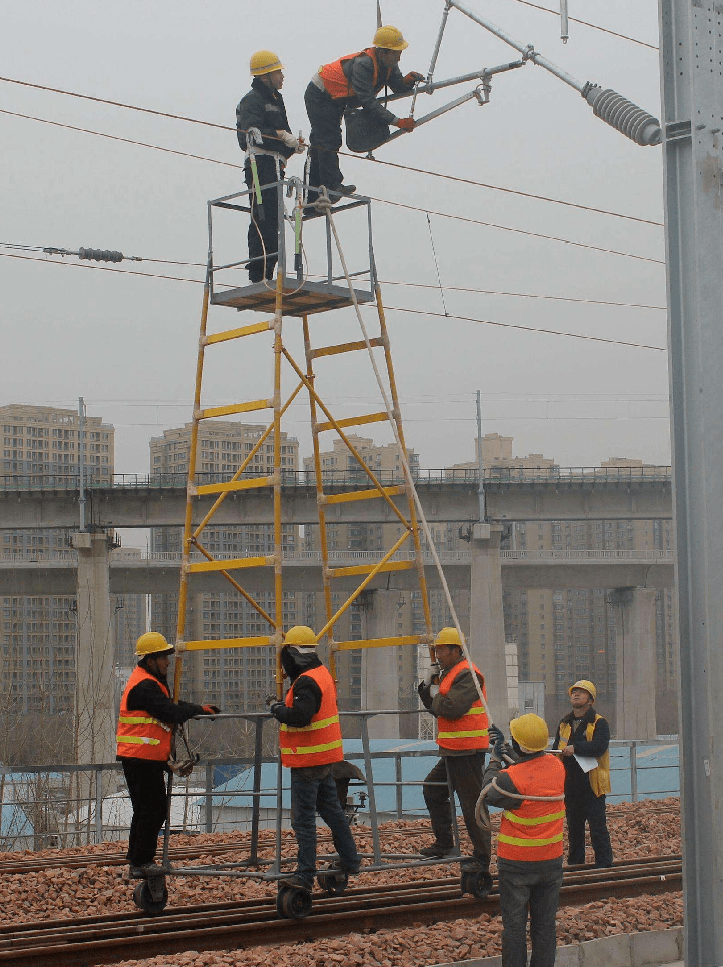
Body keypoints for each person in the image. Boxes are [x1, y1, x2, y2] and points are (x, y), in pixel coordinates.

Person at [116, 632, 220, 876]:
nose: (167, 662)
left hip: (144, 757)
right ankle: (142, 861)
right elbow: (168, 711)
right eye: (163, 657)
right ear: (150, 659)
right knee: (152, 809)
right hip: (140, 757)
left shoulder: (148, 682)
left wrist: (199, 709)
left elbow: (170, 705)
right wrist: (196, 710)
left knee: (146, 809)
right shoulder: (144, 685)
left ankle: (137, 858)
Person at [267, 625, 361, 890]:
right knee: (332, 811)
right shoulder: (322, 674)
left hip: (307, 761)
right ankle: (351, 860)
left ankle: (305, 874)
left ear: (293, 654)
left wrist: (276, 709)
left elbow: (301, 715)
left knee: (303, 821)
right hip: (323, 758)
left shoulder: (307, 681)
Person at [480, 714, 566, 967]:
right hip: (550, 861)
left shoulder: (512, 779)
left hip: (516, 863)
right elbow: (531, 763)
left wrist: (495, 759)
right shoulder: (557, 766)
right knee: (544, 926)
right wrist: (506, 745)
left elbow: (488, 791)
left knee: (515, 928)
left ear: (518, 745)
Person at [304, 25, 424, 201]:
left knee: (320, 142)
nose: (400, 56)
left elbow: (396, 85)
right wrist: (397, 121)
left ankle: (313, 195)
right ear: (383, 52)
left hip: (336, 99)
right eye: (396, 52)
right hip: (321, 94)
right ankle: (331, 186)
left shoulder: (389, 65)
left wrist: (407, 82)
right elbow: (368, 102)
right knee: (327, 139)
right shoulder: (364, 64)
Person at [417, 627, 491, 875]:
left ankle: (482, 858)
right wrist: (425, 690)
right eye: (436, 649)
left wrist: (435, 693)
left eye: (441, 649)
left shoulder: (469, 674)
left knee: (472, 805)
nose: (437, 654)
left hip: (468, 751)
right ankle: (445, 843)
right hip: (452, 750)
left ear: (456, 650)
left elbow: (451, 707)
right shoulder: (450, 674)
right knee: (433, 790)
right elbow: (438, 708)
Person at [236, 50, 305, 283]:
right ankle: (258, 273)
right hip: (259, 165)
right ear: (265, 75)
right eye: (278, 72)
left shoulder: (276, 99)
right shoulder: (251, 101)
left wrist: (291, 147)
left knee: (274, 220)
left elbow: (279, 141)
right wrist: (280, 135)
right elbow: (248, 136)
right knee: (262, 216)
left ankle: (269, 270)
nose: (282, 76)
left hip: (275, 165)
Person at [553, 679, 613, 868]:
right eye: (574, 692)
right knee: (574, 830)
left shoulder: (599, 723)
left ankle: (604, 866)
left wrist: (575, 748)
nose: (576, 694)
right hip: (571, 786)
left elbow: (599, 747)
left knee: (598, 829)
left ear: (591, 700)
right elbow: (557, 749)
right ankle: (576, 866)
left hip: (592, 785)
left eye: (582, 692)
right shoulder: (564, 723)